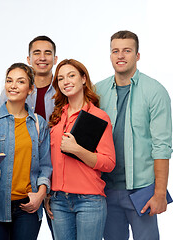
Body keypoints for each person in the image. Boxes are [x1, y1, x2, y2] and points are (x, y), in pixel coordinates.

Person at [96, 30, 172, 240]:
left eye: (127, 50)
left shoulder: (155, 91)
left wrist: (159, 193)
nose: (120, 56)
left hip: (142, 190)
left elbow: (162, 146)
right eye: (115, 51)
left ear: (137, 55)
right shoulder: (97, 91)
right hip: (106, 189)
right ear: (110, 55)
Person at [45, 59, 116, 240]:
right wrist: (48, 194)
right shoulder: (56, 117)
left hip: (89, 200)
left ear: (84, 79)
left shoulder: (98, 117)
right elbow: (50, 161)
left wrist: (77, 150)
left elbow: (109, 163)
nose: (66, 82)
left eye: (71, 75)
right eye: (60, 78)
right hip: (58, 200)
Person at [0, 63, 52, 240]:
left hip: (28, 207)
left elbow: (45, 165)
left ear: (30, 89)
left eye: (20, 81)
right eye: (9, 80)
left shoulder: (39, 123)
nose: (13, 86)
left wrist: (41, 195)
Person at [0, 35, 58, 121]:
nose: (42, 58)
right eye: (37, 53)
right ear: (29, 59)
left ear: (55, 59)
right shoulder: (13, 90)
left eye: (47, 53)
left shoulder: (63, 89)